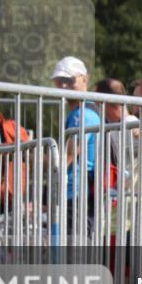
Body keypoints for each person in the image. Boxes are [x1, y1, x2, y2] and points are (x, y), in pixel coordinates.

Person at [52, 56, 100, 230]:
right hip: (76, 192)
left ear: (84, 79)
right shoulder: (81, 112)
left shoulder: (82, 114)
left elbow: (70, 154)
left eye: (69, 80)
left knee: (74, 243)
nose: (64, 86)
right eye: (59, 81)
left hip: (77, 193)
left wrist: (40, 161)